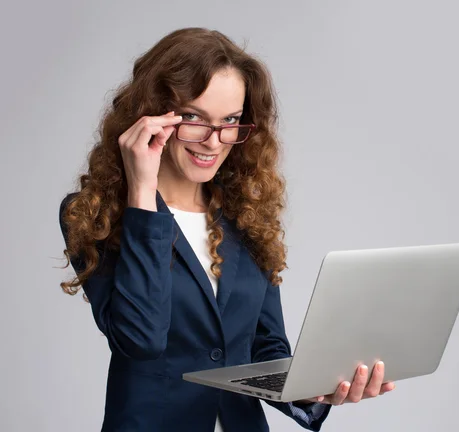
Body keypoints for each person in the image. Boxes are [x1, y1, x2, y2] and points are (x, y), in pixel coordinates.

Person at [58, 27, 395, 432]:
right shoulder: (95, 213)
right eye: (193, 118)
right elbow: (141, 340)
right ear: (150, 113)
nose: (214, 141)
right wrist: (142, 191)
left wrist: (315, 387)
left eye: (230, 121)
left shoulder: (245, 213)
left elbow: (264, 347)